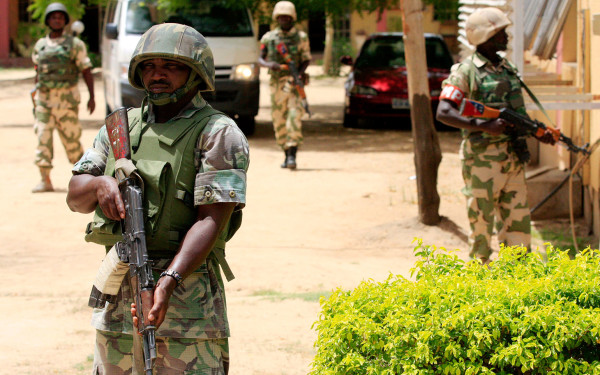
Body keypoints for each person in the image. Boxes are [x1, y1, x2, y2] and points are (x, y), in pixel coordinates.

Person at [66, 23, 249, 374]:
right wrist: (101, 183)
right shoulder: (120, 128)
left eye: (172, 66)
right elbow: (76, 197)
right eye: (149, 66)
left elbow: (212, 218)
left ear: (195, 73)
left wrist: (167, 281)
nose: (158, 74)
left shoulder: (218, 133)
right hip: (118, 295)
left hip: (186, 302)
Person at [435, 7, 555, 264]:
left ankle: (516, 284)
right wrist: (482, 125)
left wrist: (538, 132)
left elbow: (514, 114)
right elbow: (444, 112)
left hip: (512, 158)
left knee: (519, 231)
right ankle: (480, 287)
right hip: (482, 162)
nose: (507, 36)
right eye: (501, 32)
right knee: (481, 231)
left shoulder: (506, 69)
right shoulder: (465, 71)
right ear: (485, 37)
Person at [31, 2, 95, 193]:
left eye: (60, 17)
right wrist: (34, 97)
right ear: (48, 20)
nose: (56, 20)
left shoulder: (75, 45)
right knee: (43, 139)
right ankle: (45, 180)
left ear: (65, 21)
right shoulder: (41, 45)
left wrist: (92, 96)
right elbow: (38, 72)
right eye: (53, 17)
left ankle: (81, 179)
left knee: (72, 142)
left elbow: (86, 70)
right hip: (44, 101)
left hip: (66, 102)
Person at [258, 0, 311, 169]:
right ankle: (285, 151)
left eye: (287, 17)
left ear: (292, 18)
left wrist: (300, 74)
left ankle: (292, 155)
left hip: (294, 83)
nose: (283, 20)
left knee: (294, 116)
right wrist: (269, 65)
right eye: (280, 17)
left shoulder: (301, 37)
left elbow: (306, 59)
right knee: (278, 119)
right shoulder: (269, 37)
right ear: (276, 18)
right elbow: (260, 58)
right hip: (276, 84)